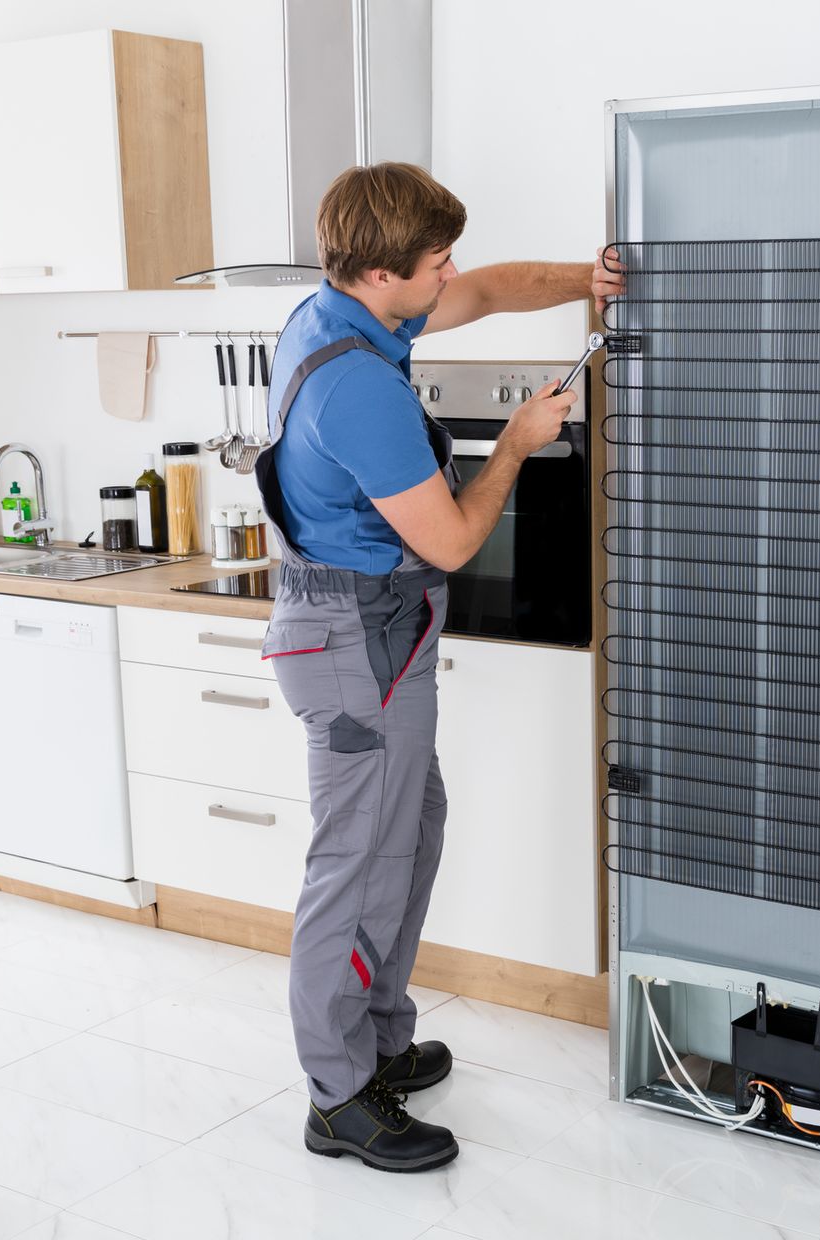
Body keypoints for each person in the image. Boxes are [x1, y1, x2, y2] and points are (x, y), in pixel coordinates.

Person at [255, 161, 624, 1172]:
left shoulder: (346, 311)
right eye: (435, 261)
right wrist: (514, 444)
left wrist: (592, 278)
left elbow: (496, 285)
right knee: (356, 861)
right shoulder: (359, 388)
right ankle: (338, 1094)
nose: (449, 273)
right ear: (383, 273)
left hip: (375, 631)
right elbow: (458, 539)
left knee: (410, 830)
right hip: (352, 645)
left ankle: (375, 1040)